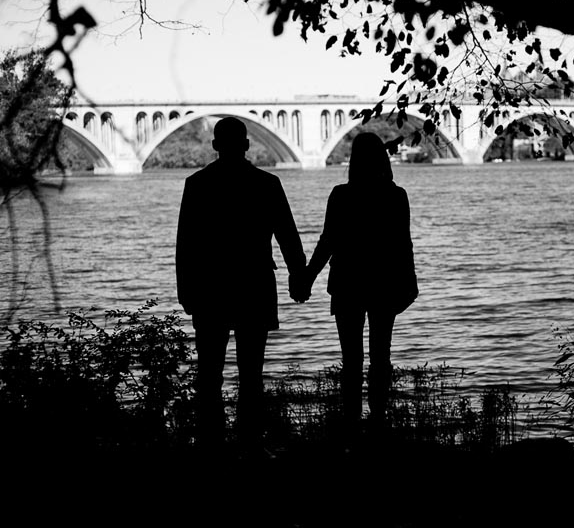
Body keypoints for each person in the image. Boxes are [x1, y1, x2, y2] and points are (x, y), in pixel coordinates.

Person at [175, 116, 309, 459]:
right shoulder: (267, 183)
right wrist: (298, 276)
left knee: (209, 376)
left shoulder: (197, 184)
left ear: (216, 145)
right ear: (246, 145)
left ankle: (212, 447)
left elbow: (185, 245)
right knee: (251, 376)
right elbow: (288, 236)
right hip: (253, 287)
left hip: (210, 290)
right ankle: (250, 445)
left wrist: (186, 292)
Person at [304, 132, 418, 442]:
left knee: (351, 359)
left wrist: (307, 277)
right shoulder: (396, 196)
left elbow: (327, 241)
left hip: (347, 284)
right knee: (381, 355)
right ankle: (379, 421)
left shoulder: (341, 195)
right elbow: (402, 245)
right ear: (383, 159)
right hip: (384, 284)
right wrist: (411, 283)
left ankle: (351, 422)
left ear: (354, 161)